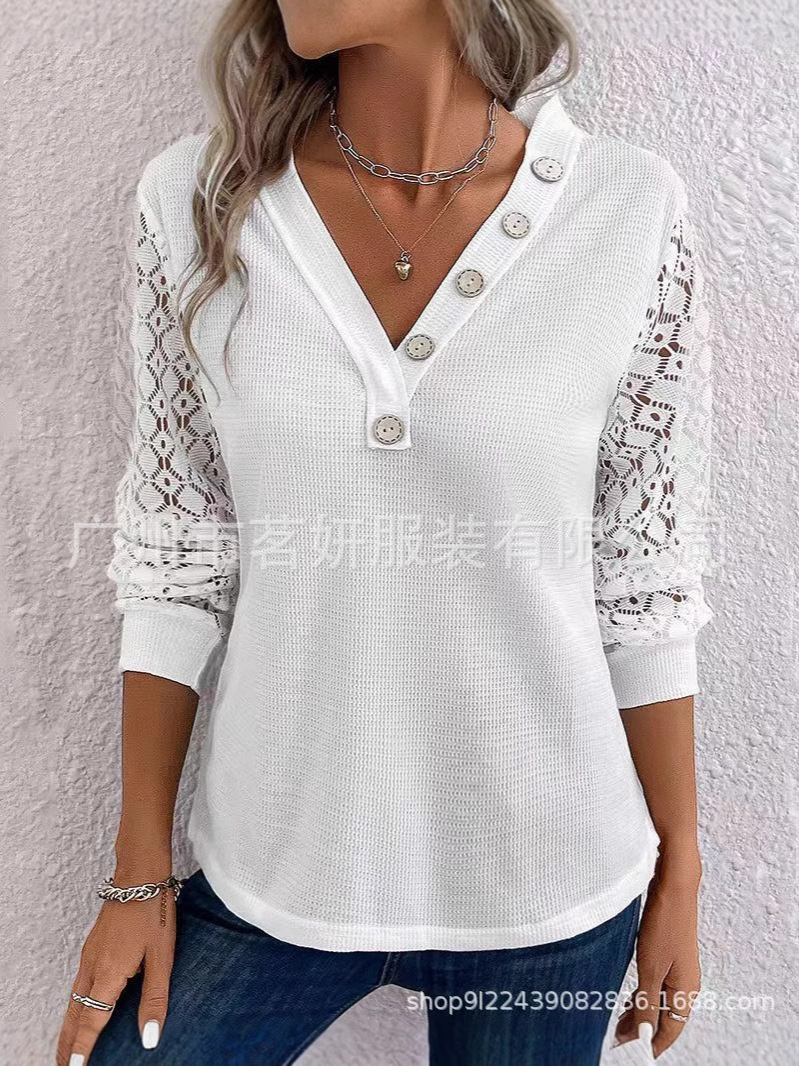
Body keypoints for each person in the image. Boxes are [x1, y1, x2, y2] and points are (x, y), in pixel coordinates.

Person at [57, 0, 713, 1063]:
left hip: (548, 877)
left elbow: (641, 571)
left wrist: (681, 860)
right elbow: (175, 556)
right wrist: (138, 874)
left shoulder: (626, 208)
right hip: (279, 863)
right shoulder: (197, 202)